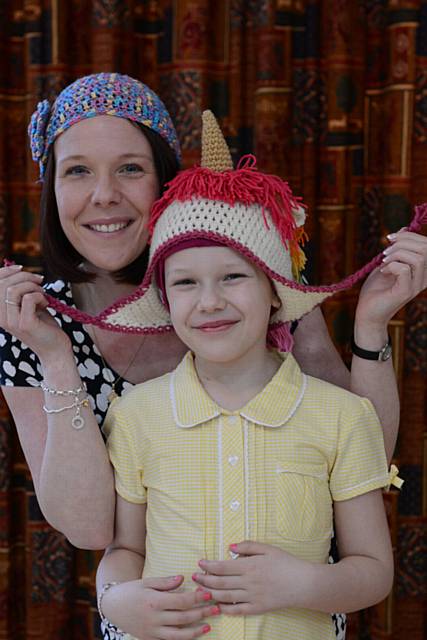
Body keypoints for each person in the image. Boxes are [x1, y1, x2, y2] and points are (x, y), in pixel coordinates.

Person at [0, 72, 426, 639]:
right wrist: (56, 357)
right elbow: (93, 529)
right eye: (77, 170)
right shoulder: (30, 327)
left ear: (167, 182)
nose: (104, 194)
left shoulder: (257, 280)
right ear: (51, 189)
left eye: (130, 167)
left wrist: (372, 326)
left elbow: (358, 454)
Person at [94, 111, 398, 639]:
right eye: (186, 282)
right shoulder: (136, 414)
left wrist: (303, 584)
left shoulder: (343, 417)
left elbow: (372, 570)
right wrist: (116, 601)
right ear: (166, 302)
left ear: (275, 291)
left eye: (233, 276)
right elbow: (126, 549)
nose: (210, 302)